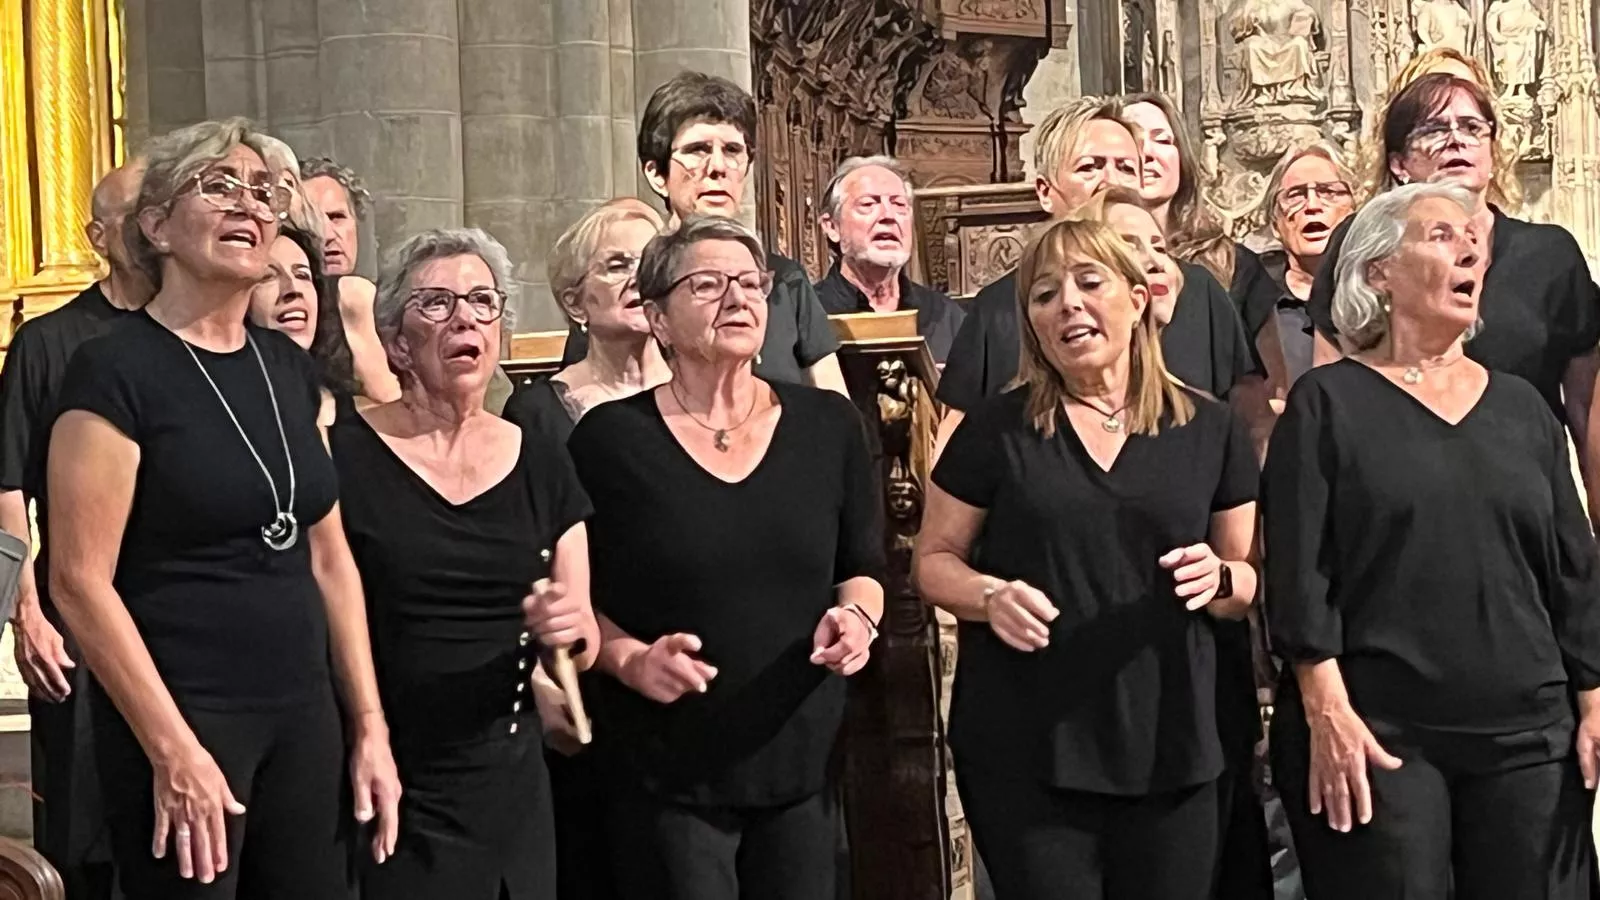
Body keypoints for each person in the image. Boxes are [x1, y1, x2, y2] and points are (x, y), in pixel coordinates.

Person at [43, 118, 400, 899]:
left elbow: (329, 558)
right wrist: (172, 749)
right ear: (157, 227)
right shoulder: (114, 369)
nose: (248, 204)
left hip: (304, 715)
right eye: (219, 185)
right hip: (183, 715)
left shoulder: (287, 368)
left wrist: (369, 725)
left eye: (264, 192)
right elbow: (78, 581)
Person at [1264, 181, 1600, 899]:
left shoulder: (1521, 407)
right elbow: (1298, 571)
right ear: (1379, 271)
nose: (1470, 249)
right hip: (1380, 734)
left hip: (1527, 736)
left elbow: (1573, 568)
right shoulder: (1327, 403)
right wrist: (1325, 709)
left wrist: (1595, 696)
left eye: (1473, 240)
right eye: (1442, 235)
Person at [914, 216, 1258, 899]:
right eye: (1045, 294)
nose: (1067, 303)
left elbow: (1244, 581)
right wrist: (988, 596)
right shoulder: (996, 429)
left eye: (1089, 282)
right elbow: (933, 559)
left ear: (1138, 298)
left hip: (1171, 737)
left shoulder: (1211, 428)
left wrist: (1219, 577)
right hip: (1027, 744)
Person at [568, 216, 884, 900]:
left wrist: (857, 621)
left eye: (750, 283)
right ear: (658, 317)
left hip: (800, 753)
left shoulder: (829, 425)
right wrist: (630, 659)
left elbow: (862, 566)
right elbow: (577, 598)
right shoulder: (609, 441)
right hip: (667, 761)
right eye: (707, 284)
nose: (737, 298)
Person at [334, 227, 600, 899]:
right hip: (386, 770)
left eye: (483, 301)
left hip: (510, 779)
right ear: (397, 342)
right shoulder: (344, 455)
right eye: (437, 303)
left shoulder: (540, 457)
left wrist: (568, 630)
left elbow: (581, 641)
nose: (465, 319)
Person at [1306, 73, 1600, 520]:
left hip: (1526, 500)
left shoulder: (1550, 254)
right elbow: (1331, 392)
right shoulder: (1363, 246)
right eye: (1433, 129)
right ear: (1399, 164)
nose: (1456, 140)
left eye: (1472, 127)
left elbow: (1585, 409)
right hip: (1400, 501)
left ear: (1492, 151)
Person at [0, 158, 151, 900]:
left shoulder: (189, 336)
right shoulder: (48, 343)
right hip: (77, 614)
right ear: (98, 237)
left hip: (175, 611)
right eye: (135, 217)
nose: (152, 230)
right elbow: (6, 488)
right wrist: (26, 613)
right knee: (82, 821)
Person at [938, 98, 1255, 440]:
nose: (1111, 182)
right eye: (1090, 167)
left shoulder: (1197, 291)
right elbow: (956, 436)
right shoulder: (1000, 305)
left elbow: (1251, 418)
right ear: (1046, 192)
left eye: (1126, 168)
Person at [561, 73, 847, 397]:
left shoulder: (784, 280)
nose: (718, 167)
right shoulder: (625, 286)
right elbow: (583, 401)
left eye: (732, 150)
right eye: (698, 150)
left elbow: (835, 404)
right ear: (657, 175)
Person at [503, 199, 669, 446]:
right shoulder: (536, 412)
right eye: (617, 266)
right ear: (575, 305)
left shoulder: (703, 390)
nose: (638, 279)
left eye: (649, 263)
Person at [812, 155, 965, 363]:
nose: (888, 215)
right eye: (868, 204)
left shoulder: (947, 316)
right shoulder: (806, 316)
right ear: (832, 227)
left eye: (899, 204)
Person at [1251, 142, 1356, 405]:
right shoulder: (1254, 306)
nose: (1312, 205)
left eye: (1328, 192)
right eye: (1295, 195)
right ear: (1275, 224)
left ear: (1355, 210)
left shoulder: (1382, 298)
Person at [299, 156, 404, 403]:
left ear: (356, 222)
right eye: (310, 221)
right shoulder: (285, 308)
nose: (327, 235)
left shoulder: (390, 303)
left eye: (337, 217)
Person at [245, 224, 362, 425]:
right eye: (268, 276)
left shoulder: (356, 414)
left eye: (302, 275)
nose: (293, 289)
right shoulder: (229, 411)